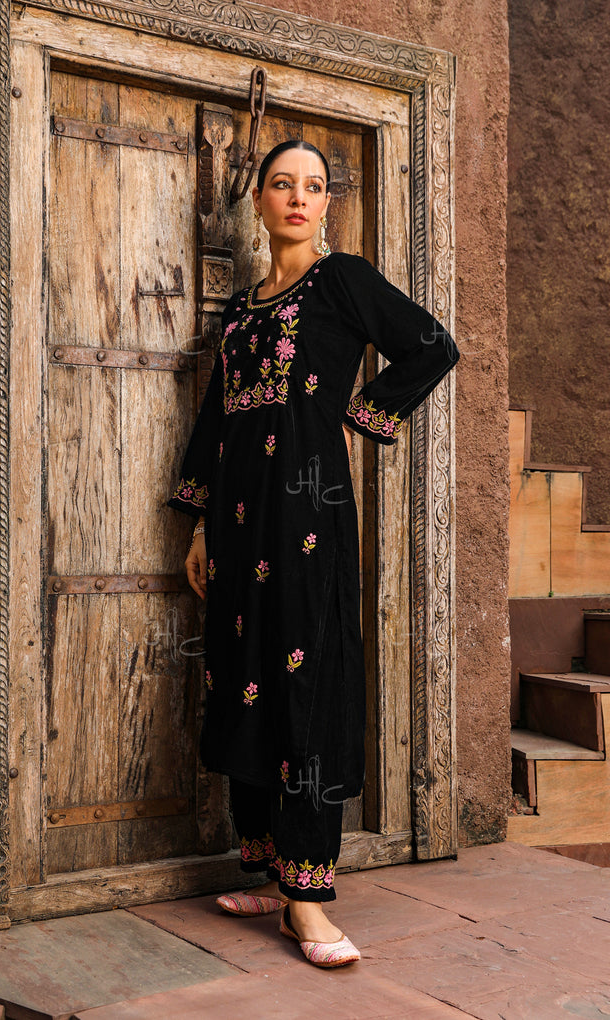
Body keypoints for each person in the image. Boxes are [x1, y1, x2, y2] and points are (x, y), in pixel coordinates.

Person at [166, 139, 459, 968]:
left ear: (328, 202)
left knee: (305, 679)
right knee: (245, 674)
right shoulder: (241, 310)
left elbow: (432, 346)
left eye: (314, 186)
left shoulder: (343, 280)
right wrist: (198, 525)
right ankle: (266, 868)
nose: (299, 197)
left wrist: (357, 419)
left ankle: (309, 898)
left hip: (306, 512)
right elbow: (217, 418)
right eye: (283, 184)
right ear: (260, 201)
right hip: (237, 522)